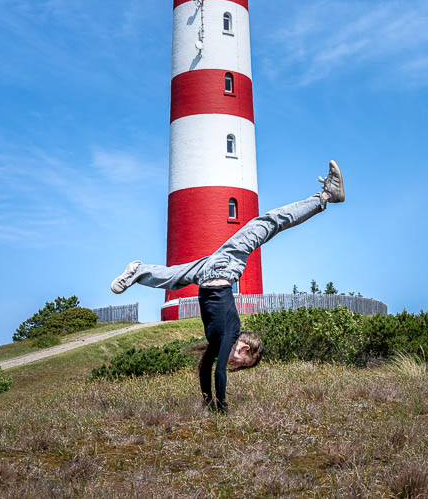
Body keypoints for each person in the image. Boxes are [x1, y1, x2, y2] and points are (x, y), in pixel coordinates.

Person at [110, 160, 346, 412]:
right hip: (224, 267)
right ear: (244, 347)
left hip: (208, 275)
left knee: (173, 277)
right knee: (271, 222)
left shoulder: (217, 339)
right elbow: (219, 371)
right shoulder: (229, 335)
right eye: (244, 361)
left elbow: (206, 371)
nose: (237, 365)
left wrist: (207, 402)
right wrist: (221, 408)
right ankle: (326, 196)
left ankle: (138, 270)